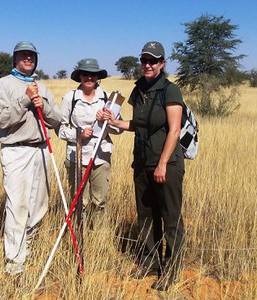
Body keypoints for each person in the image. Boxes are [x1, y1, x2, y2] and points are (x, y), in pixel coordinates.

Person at [99, 41, 185, 291]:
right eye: (144, 60)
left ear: (162, 64)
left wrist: (162, 164)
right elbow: (137, 125)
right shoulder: (139, 91)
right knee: (146, 215)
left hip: (166, 164)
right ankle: (149, 262)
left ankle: (172, 269)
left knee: (170, 217)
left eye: (153, 60)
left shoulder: (170, 91)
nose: (147, 64)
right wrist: (114, 121)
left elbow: (175, 129)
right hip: (142, 163)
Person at [0, 41, 61, 276]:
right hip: (16, 150)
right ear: (15, 58)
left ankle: (27, 249)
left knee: (39, 206)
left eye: (31, 56)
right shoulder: (4, 84)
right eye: (23, 55)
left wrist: (45, 106)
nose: (28, 59)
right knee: (17, 206)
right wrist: (25, 99)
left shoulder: (41, 86)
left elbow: (57, 120)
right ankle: (15, 264)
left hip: (41, 149)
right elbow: (3, 120)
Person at [58, 58, 122, 223]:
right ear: (79, 76)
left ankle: (99, 238)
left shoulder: (108, 98)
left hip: (101, 157)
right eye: (85, 74)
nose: (89, 78)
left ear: (97, 77)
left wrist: (109, 120)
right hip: (76, 156)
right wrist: (78, 135)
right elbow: (59, 129)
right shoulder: (70, 98)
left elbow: (119, 129)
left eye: (93, 75)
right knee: (80, 201)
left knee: (99, 201)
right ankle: (81, 236)